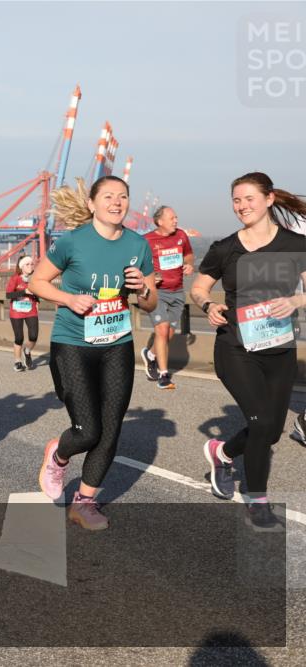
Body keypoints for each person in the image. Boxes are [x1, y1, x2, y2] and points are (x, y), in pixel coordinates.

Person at [30, 176, 157, 530]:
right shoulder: (71, 242)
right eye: (109, 197)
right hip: (73, 343)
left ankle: (84, 502)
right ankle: (58, 455)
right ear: (92, 204)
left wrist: (142, 288)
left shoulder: (138, 244)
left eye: (123, 197)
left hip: (117, 344)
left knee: (111, 429)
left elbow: (150, 303)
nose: (117, 202)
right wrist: (69, 298)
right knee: (88, 430)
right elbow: (36, 283)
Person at [193, 172, 306, 530]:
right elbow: (198, 287)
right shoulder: (225, 248)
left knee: (270, 432)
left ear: (269, 199)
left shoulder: (295, 245)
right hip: (236, 347)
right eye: (236, 200)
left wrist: (295, 300)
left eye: (249, 199)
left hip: (279, 349)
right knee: (260, 423)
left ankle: (221, 453)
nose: (241, 206)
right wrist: (207, 305)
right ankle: (257, 503)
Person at [139, 206, 195, 390]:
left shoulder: (181, 236)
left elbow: (188, 254)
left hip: (177, 292)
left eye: (176, 217)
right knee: (162, 331)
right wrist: (148, 277)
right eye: (172, 218)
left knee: (168, 334)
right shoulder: (146, 240)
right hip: (157, 293)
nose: (176, 220)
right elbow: (135, 264)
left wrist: (188, 264)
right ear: (159, 221)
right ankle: (164, 375)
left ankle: (151, 355)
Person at [6, 255, 41, 372]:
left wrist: (37, 300)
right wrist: (24, 291)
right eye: (27, 264)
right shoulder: (15, 278)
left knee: (33, 336)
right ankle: (17, 361)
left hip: (31, 310)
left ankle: (27, 351)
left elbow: (38, 291)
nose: (31, 266)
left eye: (32, 264)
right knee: (19, 337)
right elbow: (8, 295)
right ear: (21, 267)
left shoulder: (35, 278)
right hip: (16, 311)